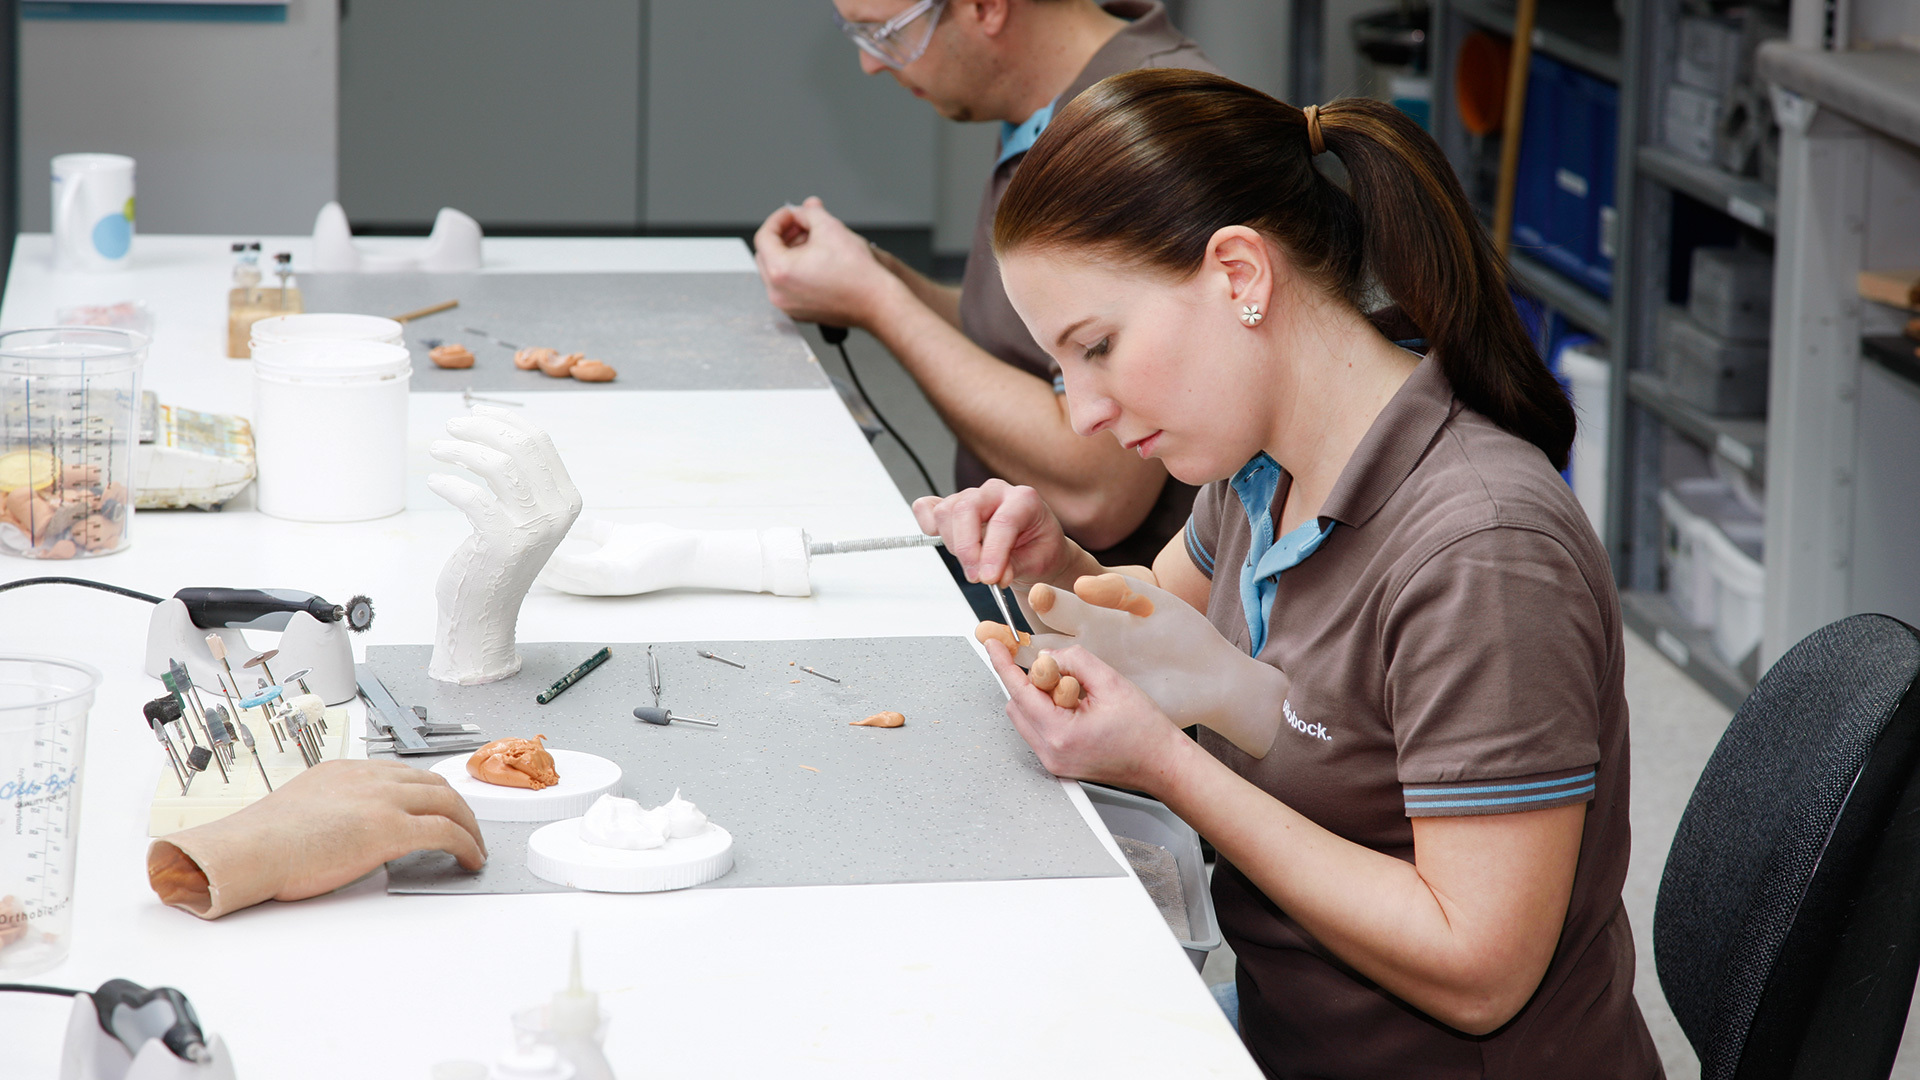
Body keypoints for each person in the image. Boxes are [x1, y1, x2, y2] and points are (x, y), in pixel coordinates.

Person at [915, 69, 1663, 1077]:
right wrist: (1060, 569)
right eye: (1062, 368)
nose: (1083, 410)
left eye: (1097, 347)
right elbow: (1147, 645)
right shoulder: (1256, 470)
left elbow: (1480, 972)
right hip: (1283, 1032)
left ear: (1239, 276)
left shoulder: (1482, 550)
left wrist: (1168, 765)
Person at [754, 0, 1218, 588]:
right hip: (1019, 561)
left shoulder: (1133, 132)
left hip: (1116, 602)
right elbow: (1016, 337)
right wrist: (875, 275)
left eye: (888, 34)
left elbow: (1099, 490)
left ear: (985, 7)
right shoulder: (1040, 109)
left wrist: (877, 301)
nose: (871, 64)